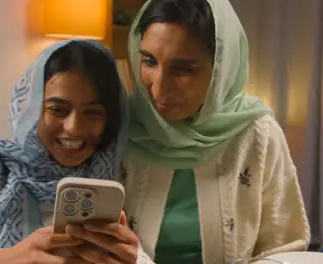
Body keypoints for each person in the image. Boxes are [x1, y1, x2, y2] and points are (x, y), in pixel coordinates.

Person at [120, 0, 311, 263]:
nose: (159, 89)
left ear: (221, 66)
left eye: (183, 69)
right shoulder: (119, 128)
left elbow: (285, 247)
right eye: (149, 61)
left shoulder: (257, 134)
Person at [0, 40, 141, 264]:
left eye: (92, 113)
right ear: (29, 110)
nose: (73, 127)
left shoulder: (120, 179)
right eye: (58, 110)